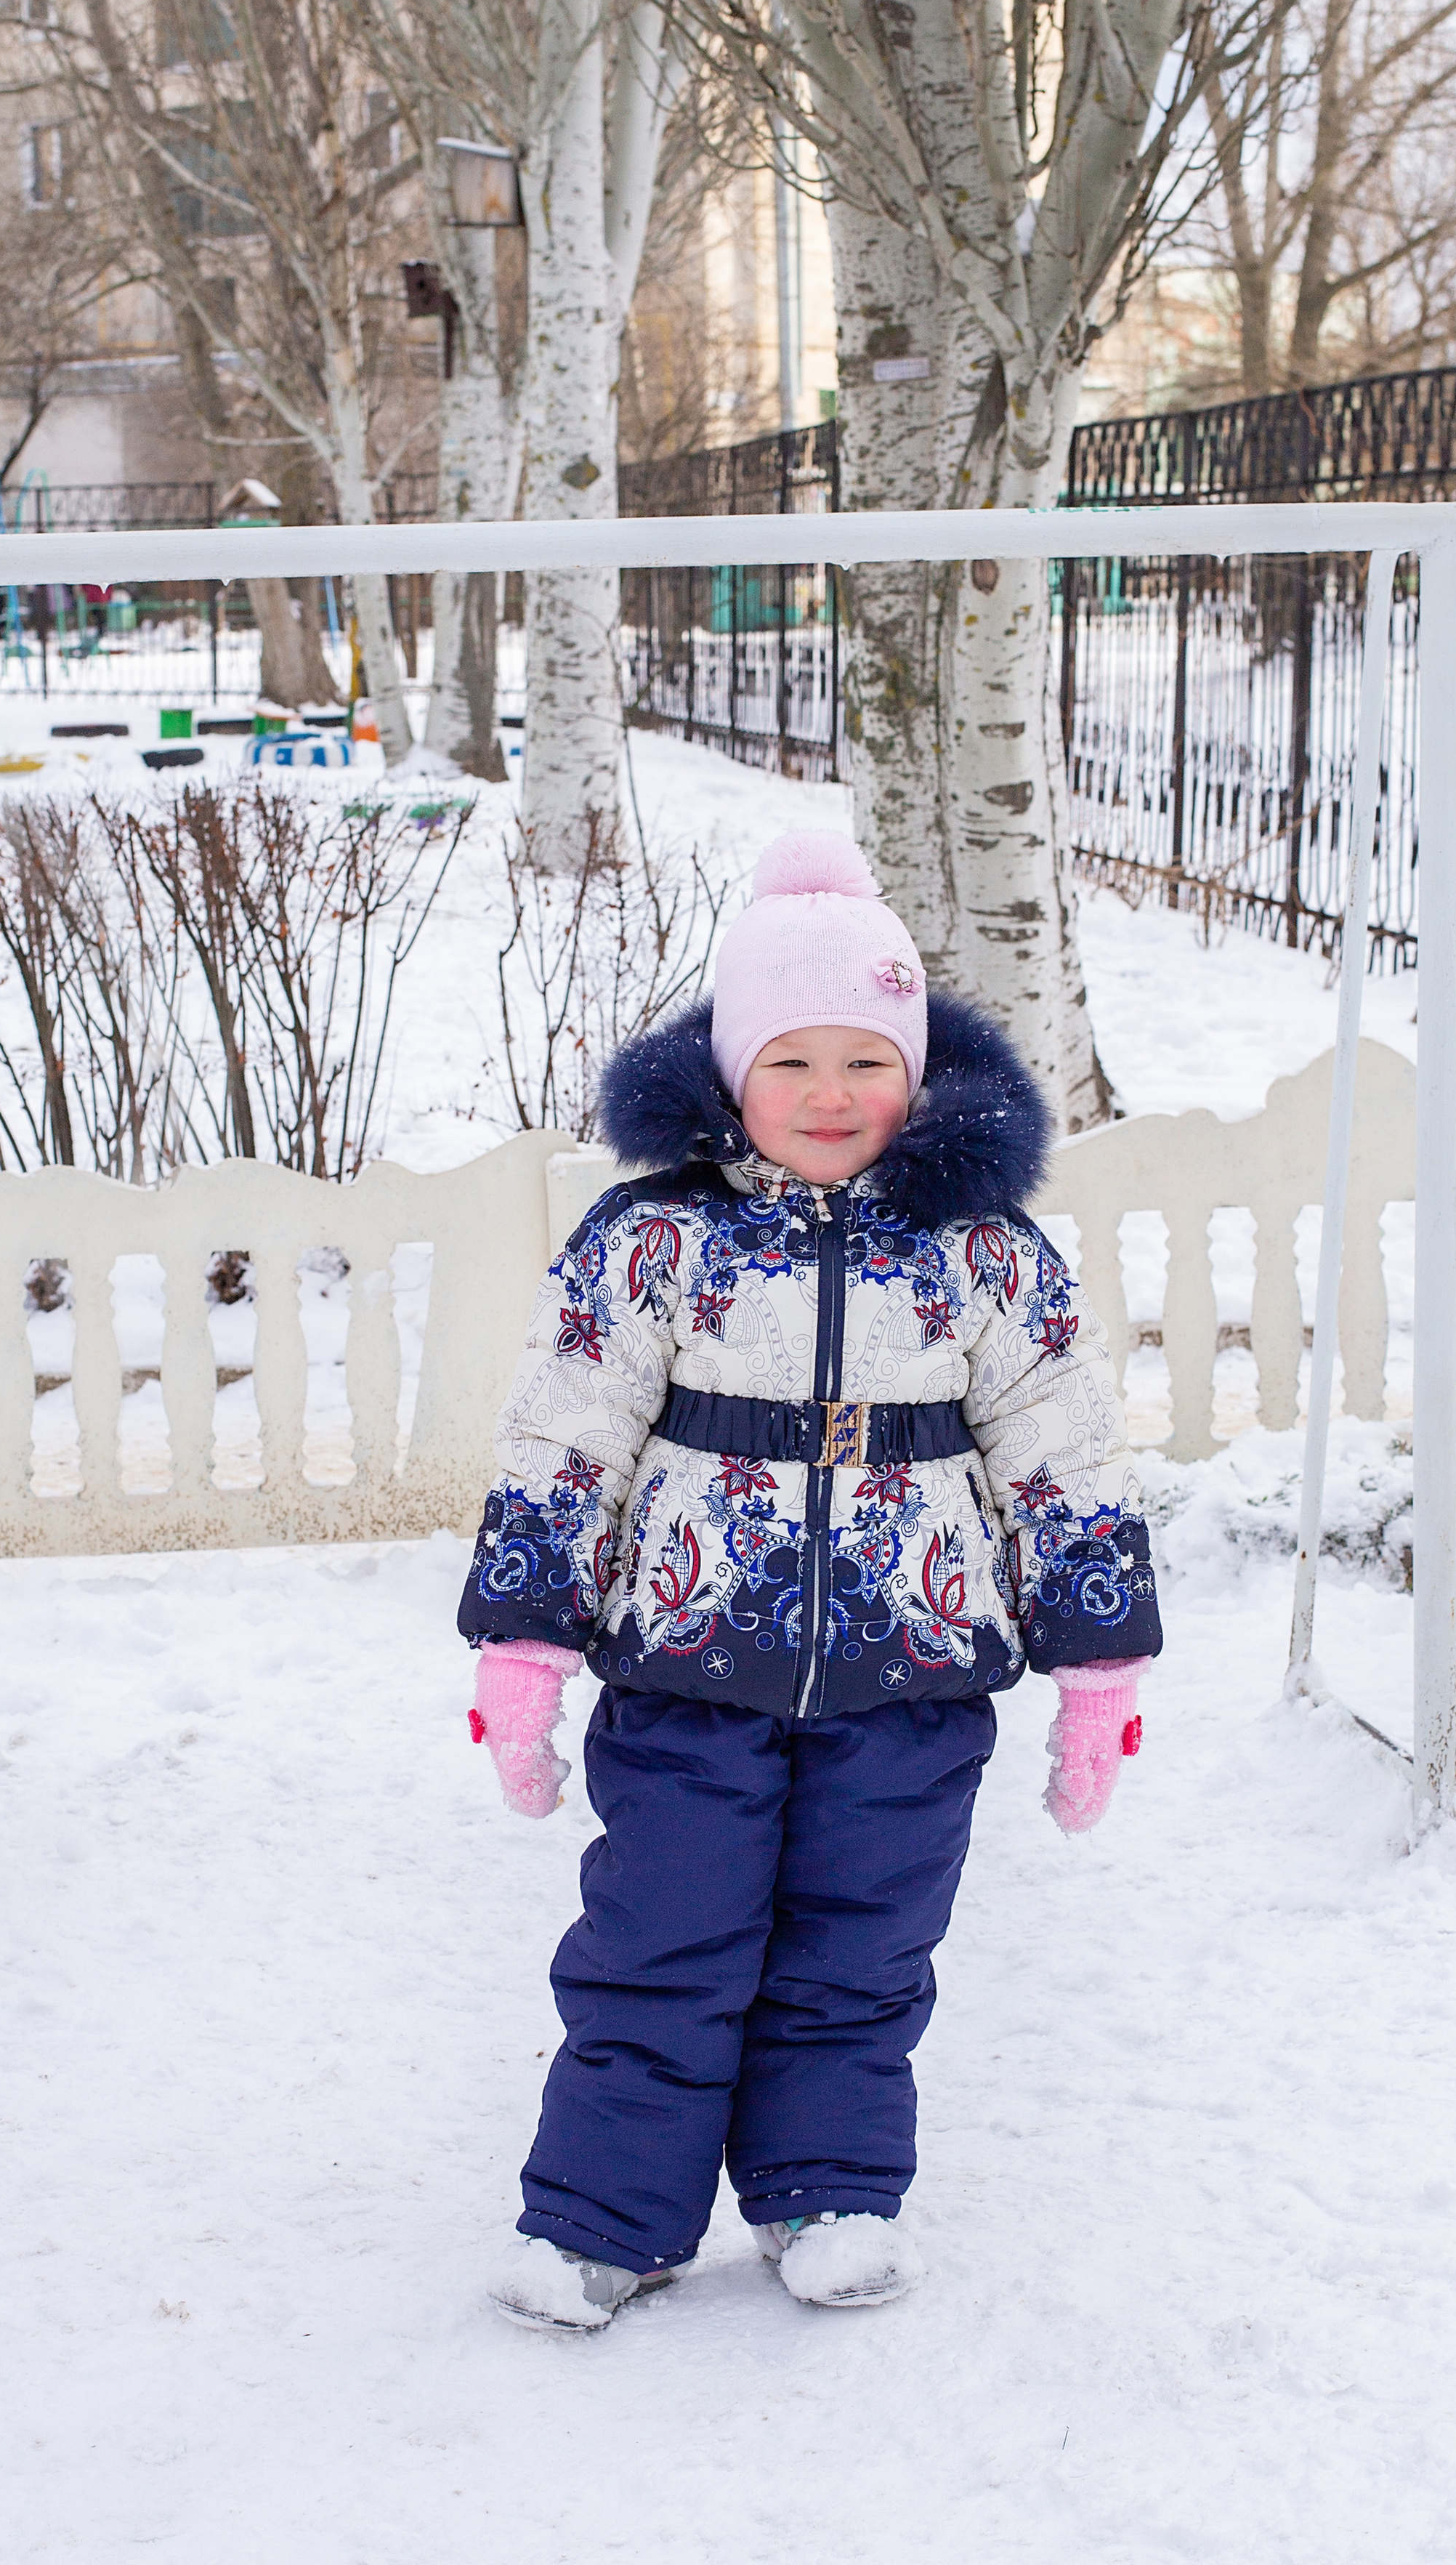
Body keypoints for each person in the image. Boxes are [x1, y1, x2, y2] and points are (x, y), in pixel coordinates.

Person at [458, 831, 1160, 2333]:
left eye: (865, 1059)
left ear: (917, 1069)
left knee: (860, 1951)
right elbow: (562, 1434)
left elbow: (1062, 1451)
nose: (831, 1096)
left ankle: (828, 2194)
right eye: (792, 1060)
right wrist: (522, 1649)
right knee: (660, 1943)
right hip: (687, 1665)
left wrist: (1097, 1670)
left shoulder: (983, 1254)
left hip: (911, 1674)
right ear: (728, 1071)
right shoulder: (649, 1240)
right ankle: (604, 2221)